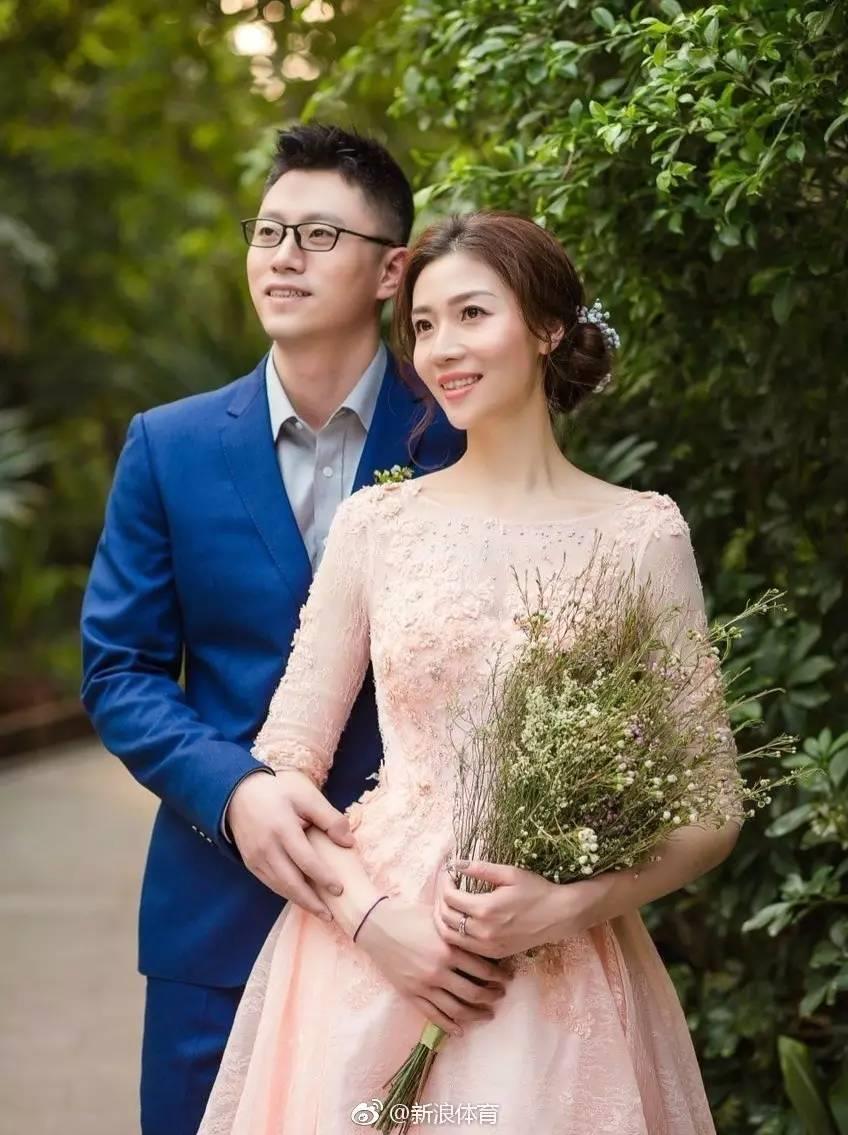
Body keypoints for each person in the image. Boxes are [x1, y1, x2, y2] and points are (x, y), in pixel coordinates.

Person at [196, 211, 741, 1134]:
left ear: (547, 328)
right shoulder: (378, 525)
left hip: (555, 976)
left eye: (472, 314)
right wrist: (374, 919)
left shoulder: (642, 534)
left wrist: (566, 905)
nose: (441, 347)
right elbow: (287, 763)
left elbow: (713, 804)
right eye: (423, 324)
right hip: (363, 955)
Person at [79, 125, 464, 1135]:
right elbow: (118, 671)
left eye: (319, 235)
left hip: (418, 920)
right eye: (268, 231)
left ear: (391, 271)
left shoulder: (459, 437)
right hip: (220, 914)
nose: (283, 255)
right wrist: (235, 789)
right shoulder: (167, 447)